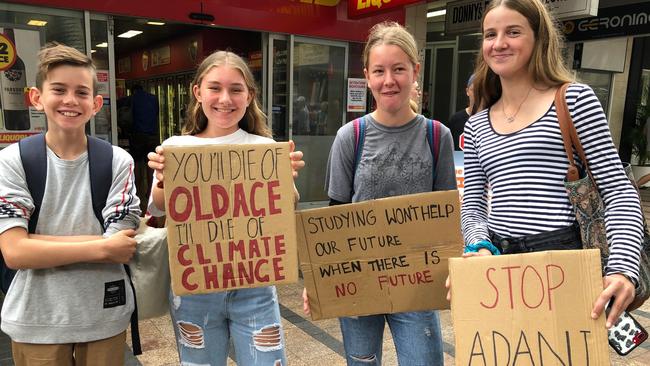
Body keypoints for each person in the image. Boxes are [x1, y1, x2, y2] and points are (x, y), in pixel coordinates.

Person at [458, 0, 644, 329]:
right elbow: (472, 202)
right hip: (499, 263)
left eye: (512, 32)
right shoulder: (476, 125)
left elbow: (618, 191)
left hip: (564, 260)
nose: (498, 43)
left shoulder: (573, 100)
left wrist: (621, 267)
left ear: (539, 38)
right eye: (490, 34)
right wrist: (478, 246)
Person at [304, 21, 456, 365]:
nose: (389, 80)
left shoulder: (437, 136)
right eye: (380, 71)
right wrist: (320, 281)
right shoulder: (351, 136)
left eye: (399, 69)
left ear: (415, 71)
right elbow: (335, 217)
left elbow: (446, 217)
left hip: (417, 287)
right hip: (359, 283)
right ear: (367, 76)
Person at [146, 50, 305, 366]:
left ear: (249, 96)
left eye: (236, 89)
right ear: (198, 92)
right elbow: (159, 209)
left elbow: (286, 207)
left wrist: (287, 179)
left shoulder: (264, 149)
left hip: (255, 286)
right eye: (215, 87)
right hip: (194, 289)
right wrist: (164, 180)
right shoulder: (176, 148)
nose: (225, 98)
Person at [0, 44, 141, 365]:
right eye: (59, 90)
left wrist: (35, 245)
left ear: (96, 103)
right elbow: (14, 252)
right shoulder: (12, 161)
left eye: (81, 92)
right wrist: (101, 248)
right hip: (35, 319)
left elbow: (122, 246)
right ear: (36, 97)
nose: (70, 100)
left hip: (105, 315)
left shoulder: (117, 161)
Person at [128, 84, 159, 213]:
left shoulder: (132, 99)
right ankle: (149, 190)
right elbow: (157, 114)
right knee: (150, 164)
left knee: (137, 163)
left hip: (137, 136)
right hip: (152, 135)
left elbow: (129, 116)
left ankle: (138, 190)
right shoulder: (153, 98)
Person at [446, 74, 475, 150]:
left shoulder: (492, 120)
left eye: (481, 89)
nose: (477, 94)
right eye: (474, 90)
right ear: (467, 91)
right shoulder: (455, 120)